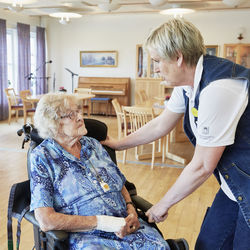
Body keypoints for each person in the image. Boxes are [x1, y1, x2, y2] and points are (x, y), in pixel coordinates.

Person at [102, 18, 250, 250]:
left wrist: (162, 205)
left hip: (246, 182)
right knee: (209, 244)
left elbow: (202, 165)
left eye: (158, 61)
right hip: (236, 183)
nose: (156, 68)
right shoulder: (188, 84)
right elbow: (161, 124)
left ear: (178, 57)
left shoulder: (219, 89)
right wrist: (118, 144)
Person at [29, 93, 171, 249]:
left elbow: (119, 183)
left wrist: (131, 210)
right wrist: (104, 223)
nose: (80, 117)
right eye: (71, 115)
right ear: (53, 124)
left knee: (161, 247)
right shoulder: (42, 157)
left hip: (127, 227)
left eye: (78, 111)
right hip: (87, 236)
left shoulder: (94, 145)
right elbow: (45, 220)